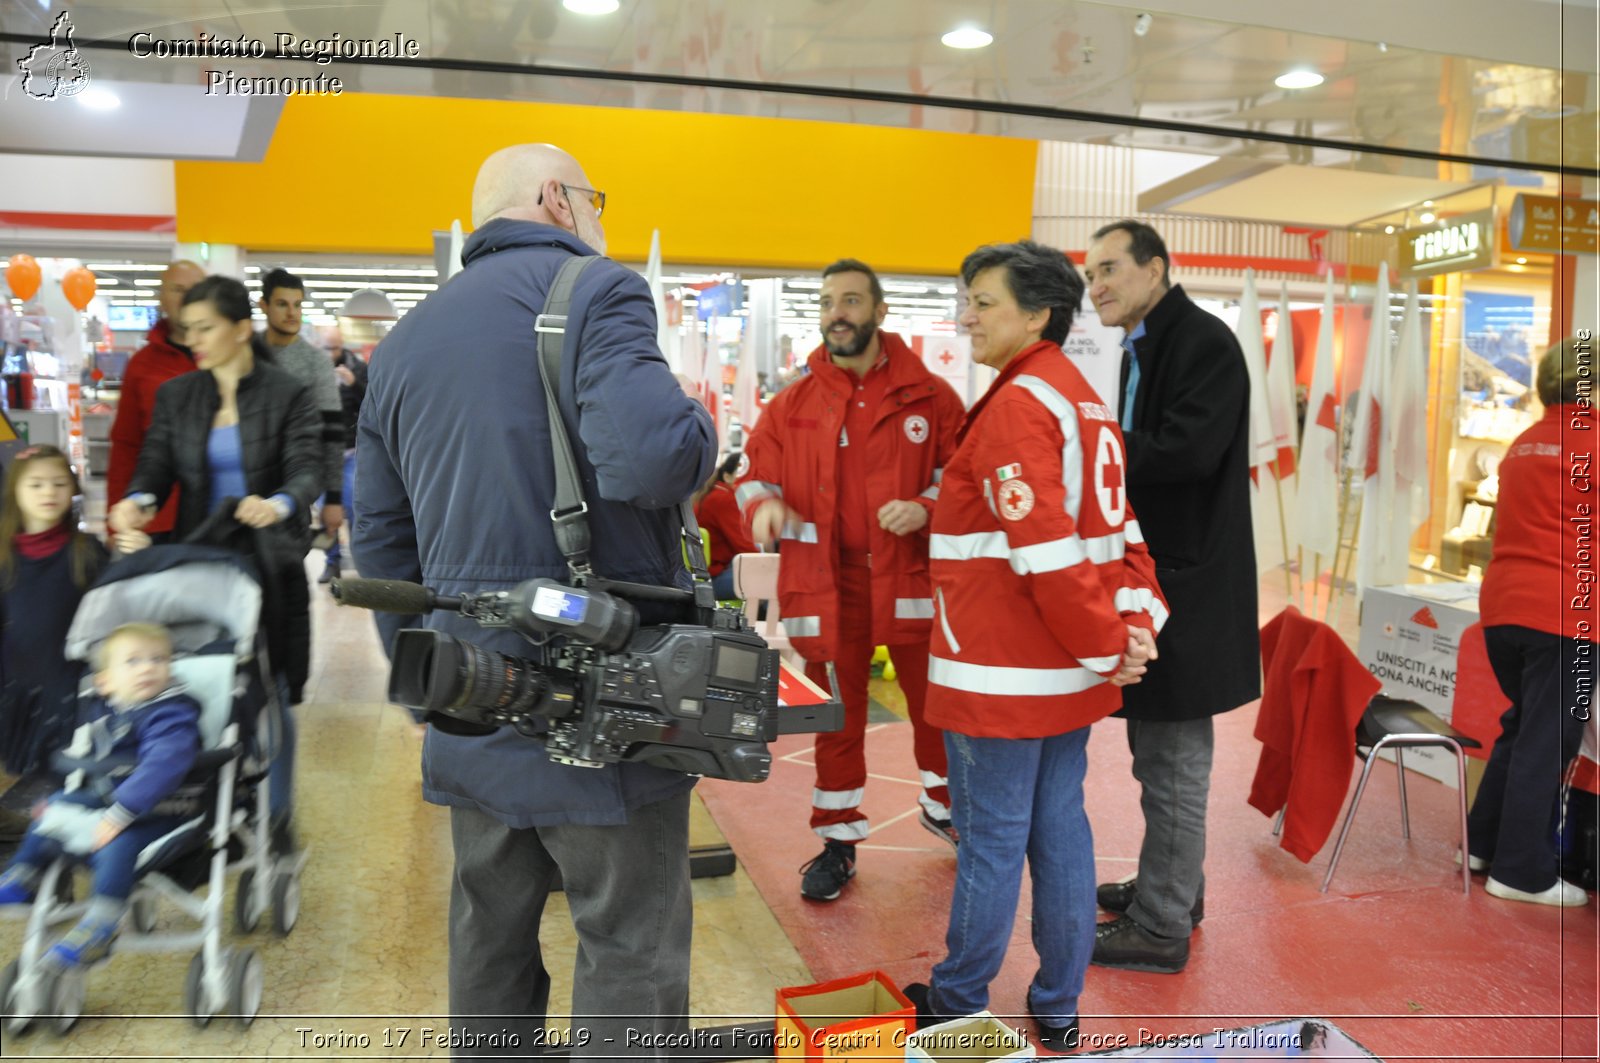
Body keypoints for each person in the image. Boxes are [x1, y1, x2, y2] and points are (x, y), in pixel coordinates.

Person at [352, 142, 715, 1056]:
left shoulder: (403, 341)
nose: (599, 217)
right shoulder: (596, 289)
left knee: (489, 928)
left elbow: (383, 543)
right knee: (628, 938)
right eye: (593, 198)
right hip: (609, 696)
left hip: (471, 695)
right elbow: (654, 455)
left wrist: (431, 669)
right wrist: (706, 431)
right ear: (558, 199)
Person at [902, 240, 1167, 1048]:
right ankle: (1057, 1002)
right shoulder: (1080, 399)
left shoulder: (1020, 405)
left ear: (1037, 312)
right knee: (1061, 830)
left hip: (1000, 673)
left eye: (984, 302)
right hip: (1062, 673)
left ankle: (957, 1000)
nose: (967, 316)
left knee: (991, 839)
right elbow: (1123, 535)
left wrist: (1104, 642)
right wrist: (1134, 627)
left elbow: (1047, 548)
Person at [739, 258, 966, 902]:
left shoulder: (932, 397)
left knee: (937, 710)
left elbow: (964, 472)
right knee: (838, 721)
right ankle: (837, 840)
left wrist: (925, 505)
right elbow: (754, 475)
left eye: (851, 301)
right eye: (827, 302)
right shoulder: (793, 403)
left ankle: (950, 814)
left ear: (880, 312)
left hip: (913, 579)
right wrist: (763, 509)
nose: (837, 313)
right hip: (829, 586)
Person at [1082, 220, 1258, 974]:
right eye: (1091, 275)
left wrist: (1092, 450)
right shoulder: (1150, 343)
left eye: (1111, 269)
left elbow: (1186, 451)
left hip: (1189, 583)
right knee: (1156, 754)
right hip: (1162, 577)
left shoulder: (1202, 343)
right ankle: (1172, 891)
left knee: (1175, 761)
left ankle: (1161, 927)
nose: (1098, 287)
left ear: (1157, 266)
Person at [108, 275, 321, 850]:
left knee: (270, 690)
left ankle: (277, 816)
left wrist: (276, 504)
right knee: (201, 683)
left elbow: (307, 468)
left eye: (205, 328)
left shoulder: (288, 394)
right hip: (200, 563)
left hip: (267, 566)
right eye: (188, 328)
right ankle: (208, 806)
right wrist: (136, 501)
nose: (194, 338)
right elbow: (154, 467)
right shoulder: (180, 396)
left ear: (240, 328)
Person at [1466, 339, 1594, 907]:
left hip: (1504, 610)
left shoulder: (1523, 443)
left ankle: (1484, 842)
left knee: (1522, 730)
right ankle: (1521, 872)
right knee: (1547, 741)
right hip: (1563, 614)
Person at [0, 622, 201, 968]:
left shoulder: (171, 713)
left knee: (117, 843)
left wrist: (121, 812)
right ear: (104, 681)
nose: (148, 668)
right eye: (133, 661)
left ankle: (103, 923)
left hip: (164, 807)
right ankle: (24, 877)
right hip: (110, 798)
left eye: (158, 659)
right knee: (51, 812)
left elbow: (163, 766)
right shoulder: (105, 708)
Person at [0, 445, 110, 839]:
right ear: (16, 491)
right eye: (37, 484)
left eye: (60, 483)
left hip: (69, 684)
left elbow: (110, 611)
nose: (49, 492)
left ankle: (51, 846)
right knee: (28, 769)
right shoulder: (4, 555)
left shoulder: (86, 551)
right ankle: (34, 840)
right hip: (15, 682)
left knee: (61, 768)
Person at [259, 268, 345, 596]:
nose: (292, 312)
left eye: (297, 304)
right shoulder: (246, 354)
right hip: (246, 487)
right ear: (264, 305)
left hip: (293, 488)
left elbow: (333, 432)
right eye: (282, 303)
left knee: (286, 588)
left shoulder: (314, 362)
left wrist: (333, 498)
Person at [107, 260, 206, 540]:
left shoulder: (226, 358)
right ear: (161, 298)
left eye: (195, 289)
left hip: (217, 517)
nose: (187, 297)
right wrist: (116, 519)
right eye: (177, 289)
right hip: (157, 518)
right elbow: (126, 445)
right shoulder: (142, 365)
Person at [319, 334, 367, 584]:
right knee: (326, 510)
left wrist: (354, 383)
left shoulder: (358, 367)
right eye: (327, 348)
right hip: (322, 453)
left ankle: (360, 560)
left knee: (352, 505)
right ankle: (332, 561)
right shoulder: (313, 368)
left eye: (335, 348)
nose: (331, 353)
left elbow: (372, 401)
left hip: (350, 451)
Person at [694, 453, 755, 600]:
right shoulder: (724, 500)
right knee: (772, 577)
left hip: (702, 576)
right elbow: (745, 547)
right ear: (727, 476)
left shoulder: (711, 494)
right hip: (714, 579)